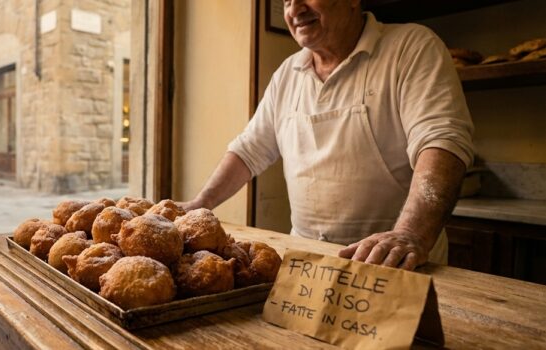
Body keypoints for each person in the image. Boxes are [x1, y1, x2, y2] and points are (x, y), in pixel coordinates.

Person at [181, 0, 474, 270]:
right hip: (307, 264)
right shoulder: (288, 73)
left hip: (393, 262)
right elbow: (250, 149)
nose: (295, 9)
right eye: (286, 0)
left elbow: (441, 141)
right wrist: (201, 203)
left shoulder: (411, 47)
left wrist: (410, 234)